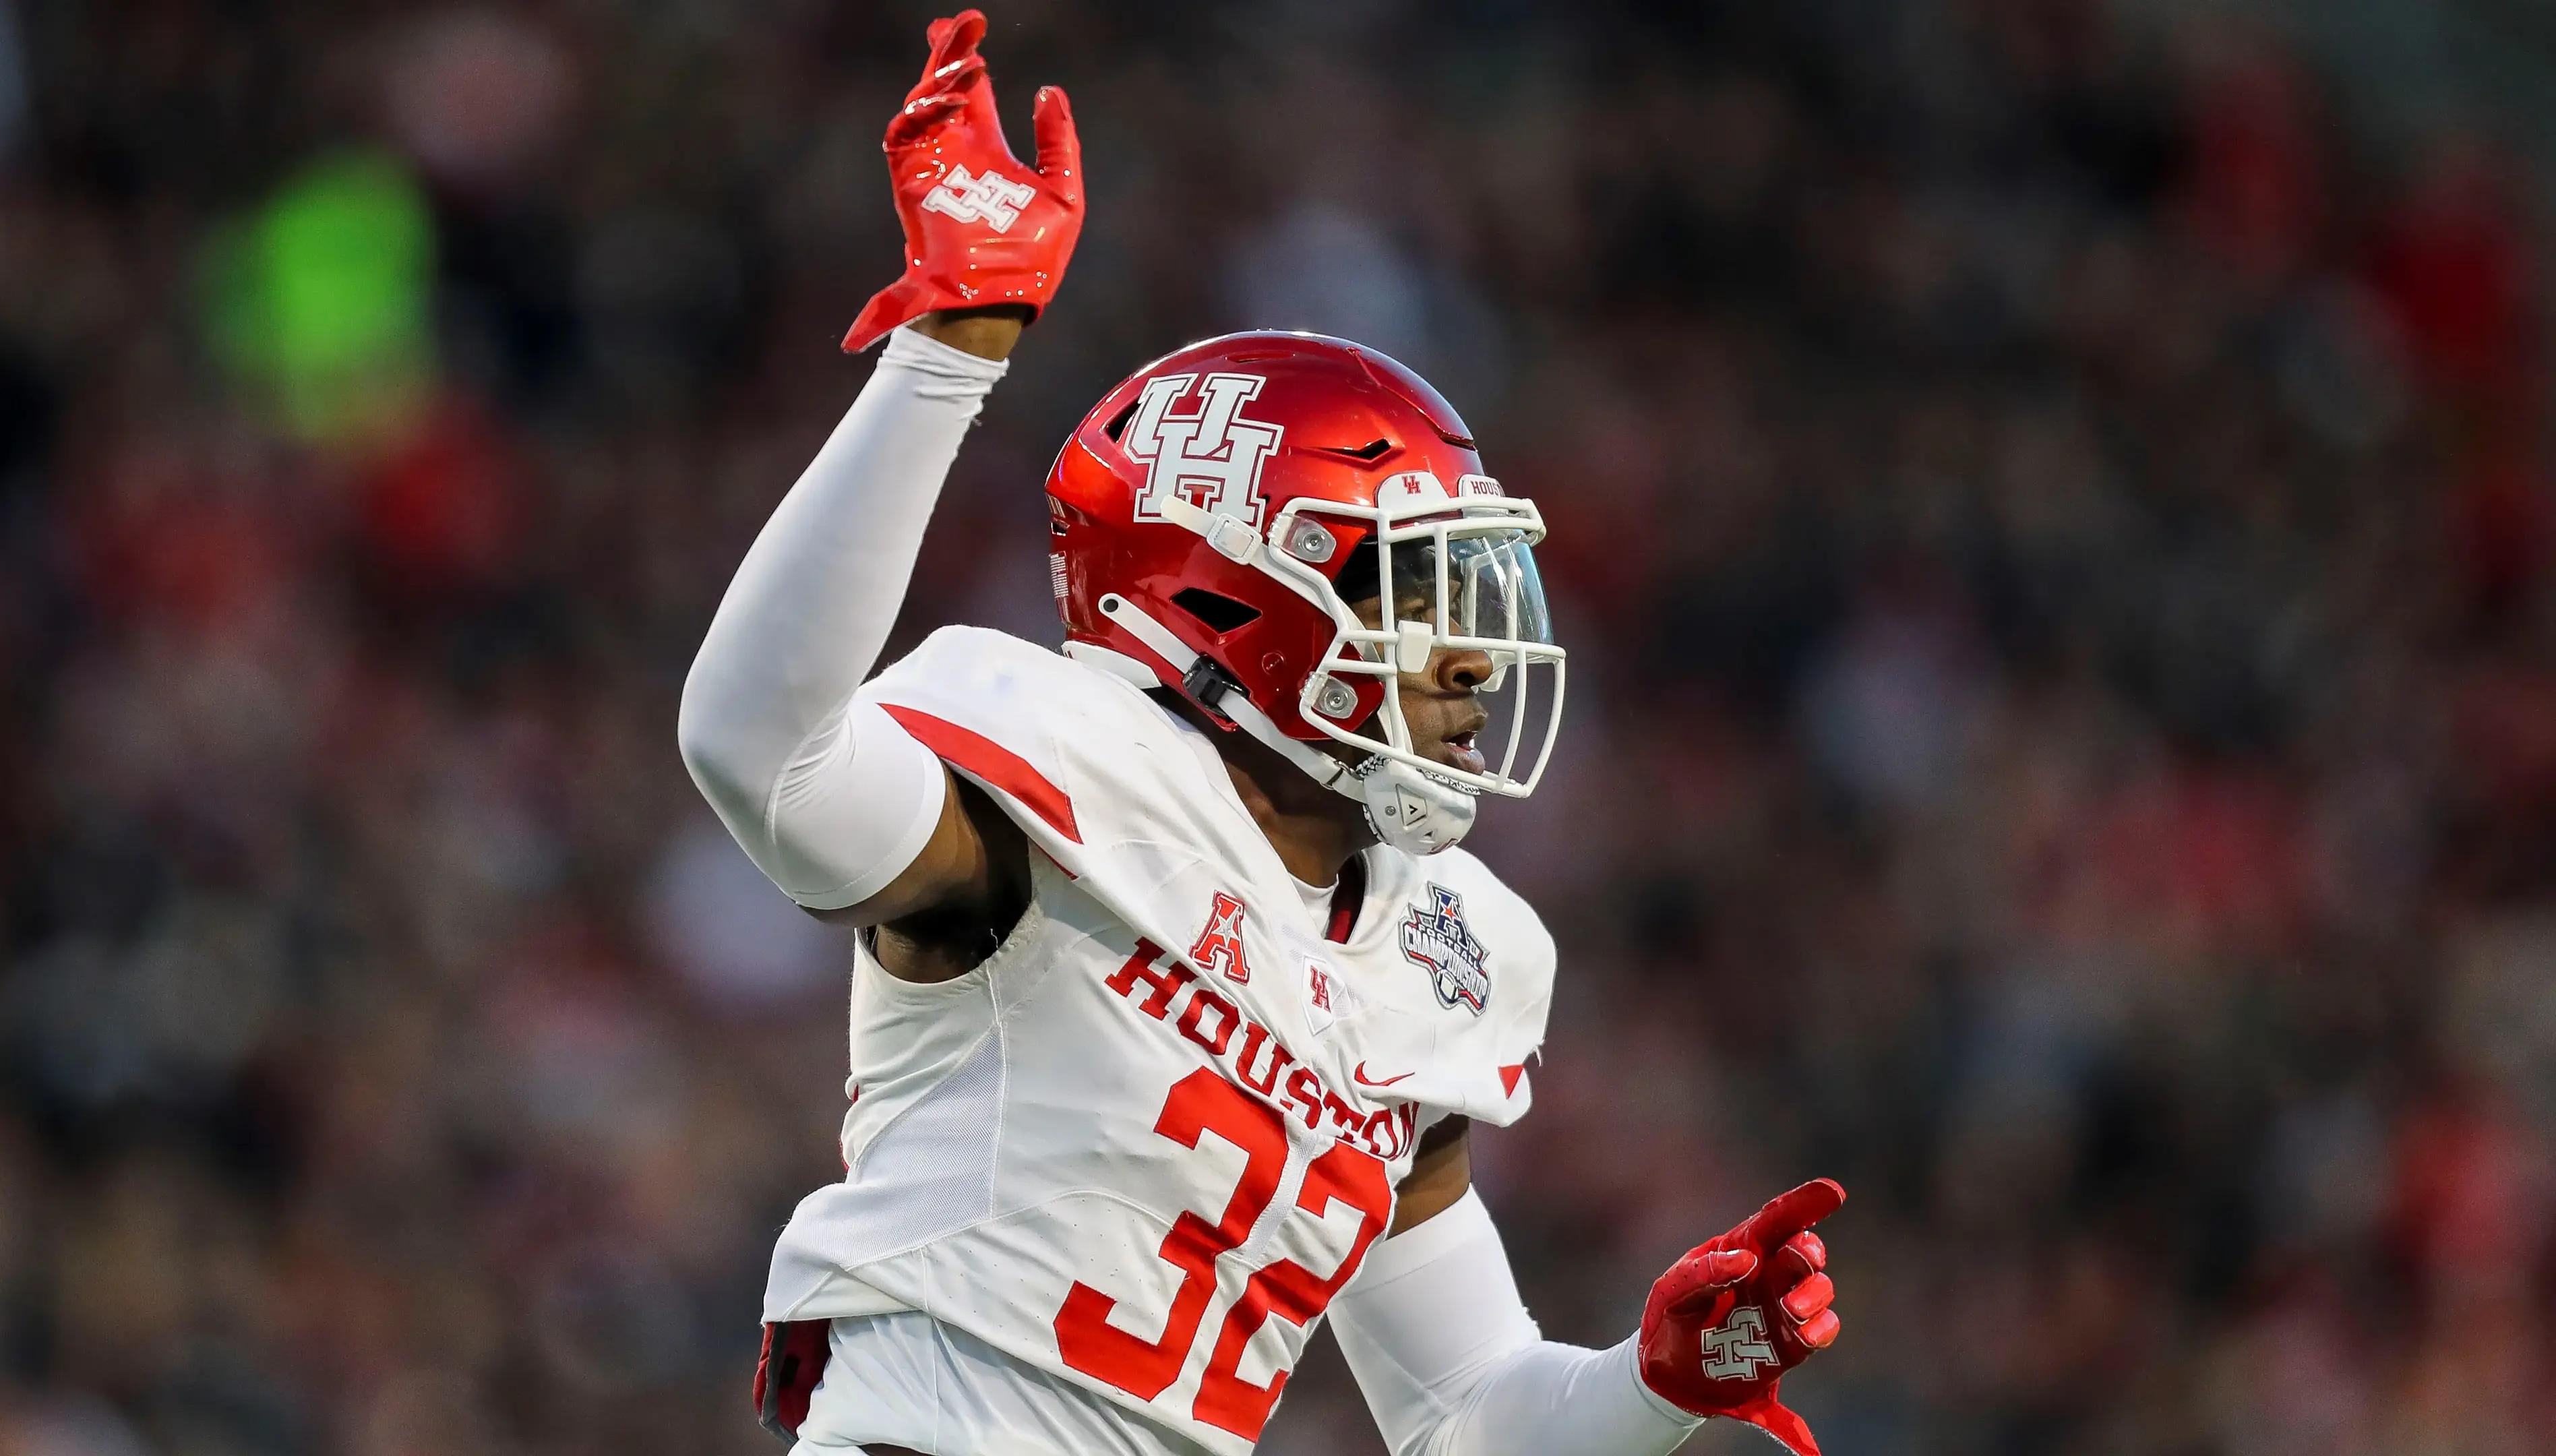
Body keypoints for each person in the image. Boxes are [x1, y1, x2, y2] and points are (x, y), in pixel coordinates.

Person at [677, 12, 1846, 1455]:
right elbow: (758, 752)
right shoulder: (1060, 775)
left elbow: (1470, 1416)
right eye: (1417, 592)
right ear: (1242, 586)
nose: (1475, 657)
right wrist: (946, 356)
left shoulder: (1440, 952)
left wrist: (1656, 1389)